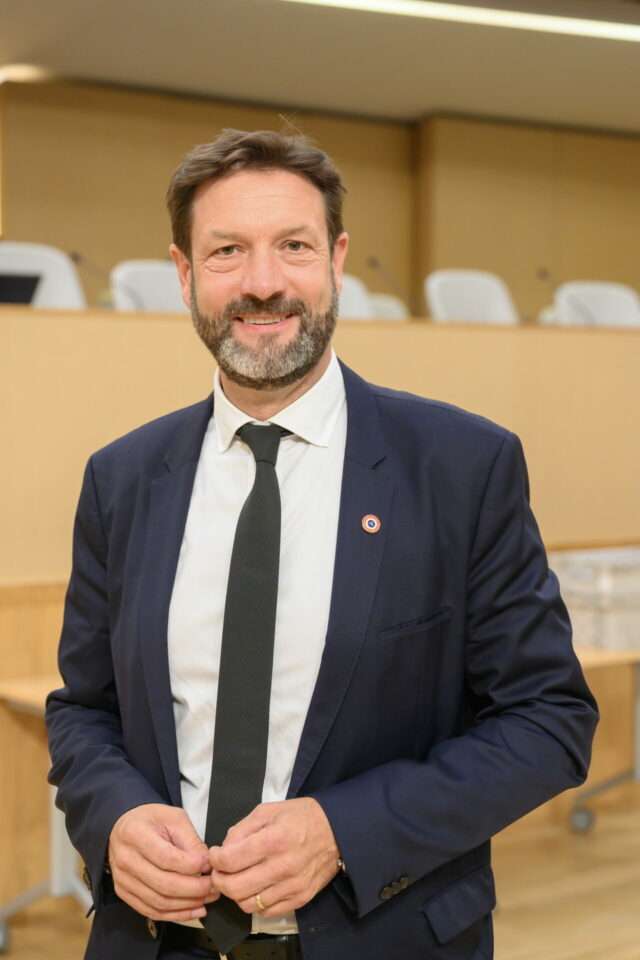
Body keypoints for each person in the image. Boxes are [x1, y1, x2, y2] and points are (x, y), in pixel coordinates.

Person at [46, 129, 598, 960]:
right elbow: (84, 711)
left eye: (293, 246)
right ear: (185, 274)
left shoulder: (460, 467)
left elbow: (548, 720)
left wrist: (345, 829)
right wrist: (115, 815)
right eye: (228, 250)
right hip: (154, 942)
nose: (263, 283)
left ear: (337, 259)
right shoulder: (122, 480)